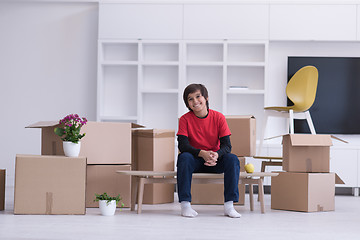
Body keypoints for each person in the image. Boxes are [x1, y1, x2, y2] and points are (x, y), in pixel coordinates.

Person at [176, 83, 241, 218]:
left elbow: (227, 146)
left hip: (214, 160)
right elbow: (183, 146)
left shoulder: (218, 117)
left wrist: (216, 155)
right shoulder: (184, 120)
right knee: (184, 157)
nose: (195, 101)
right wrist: (202, 153)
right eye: (190, 99)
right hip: (195, 161)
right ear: (187, 104)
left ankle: (229, 206)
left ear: (206, 98)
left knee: (232, 158)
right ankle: (185, 206)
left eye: (198, 96)